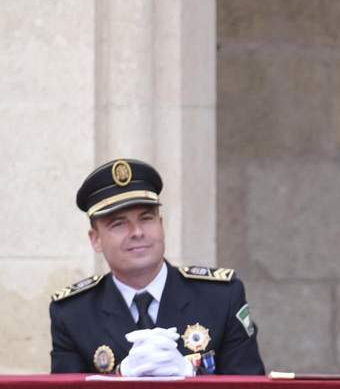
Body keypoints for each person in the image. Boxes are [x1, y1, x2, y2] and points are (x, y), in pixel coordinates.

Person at [49, 158, 264, 376]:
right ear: (96, 240)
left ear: (161, 225)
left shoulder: (220, 298)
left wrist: (189, 372)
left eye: (146, 219)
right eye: (119, 223)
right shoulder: (74, 313)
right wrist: (119, 375)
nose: (137, 232)